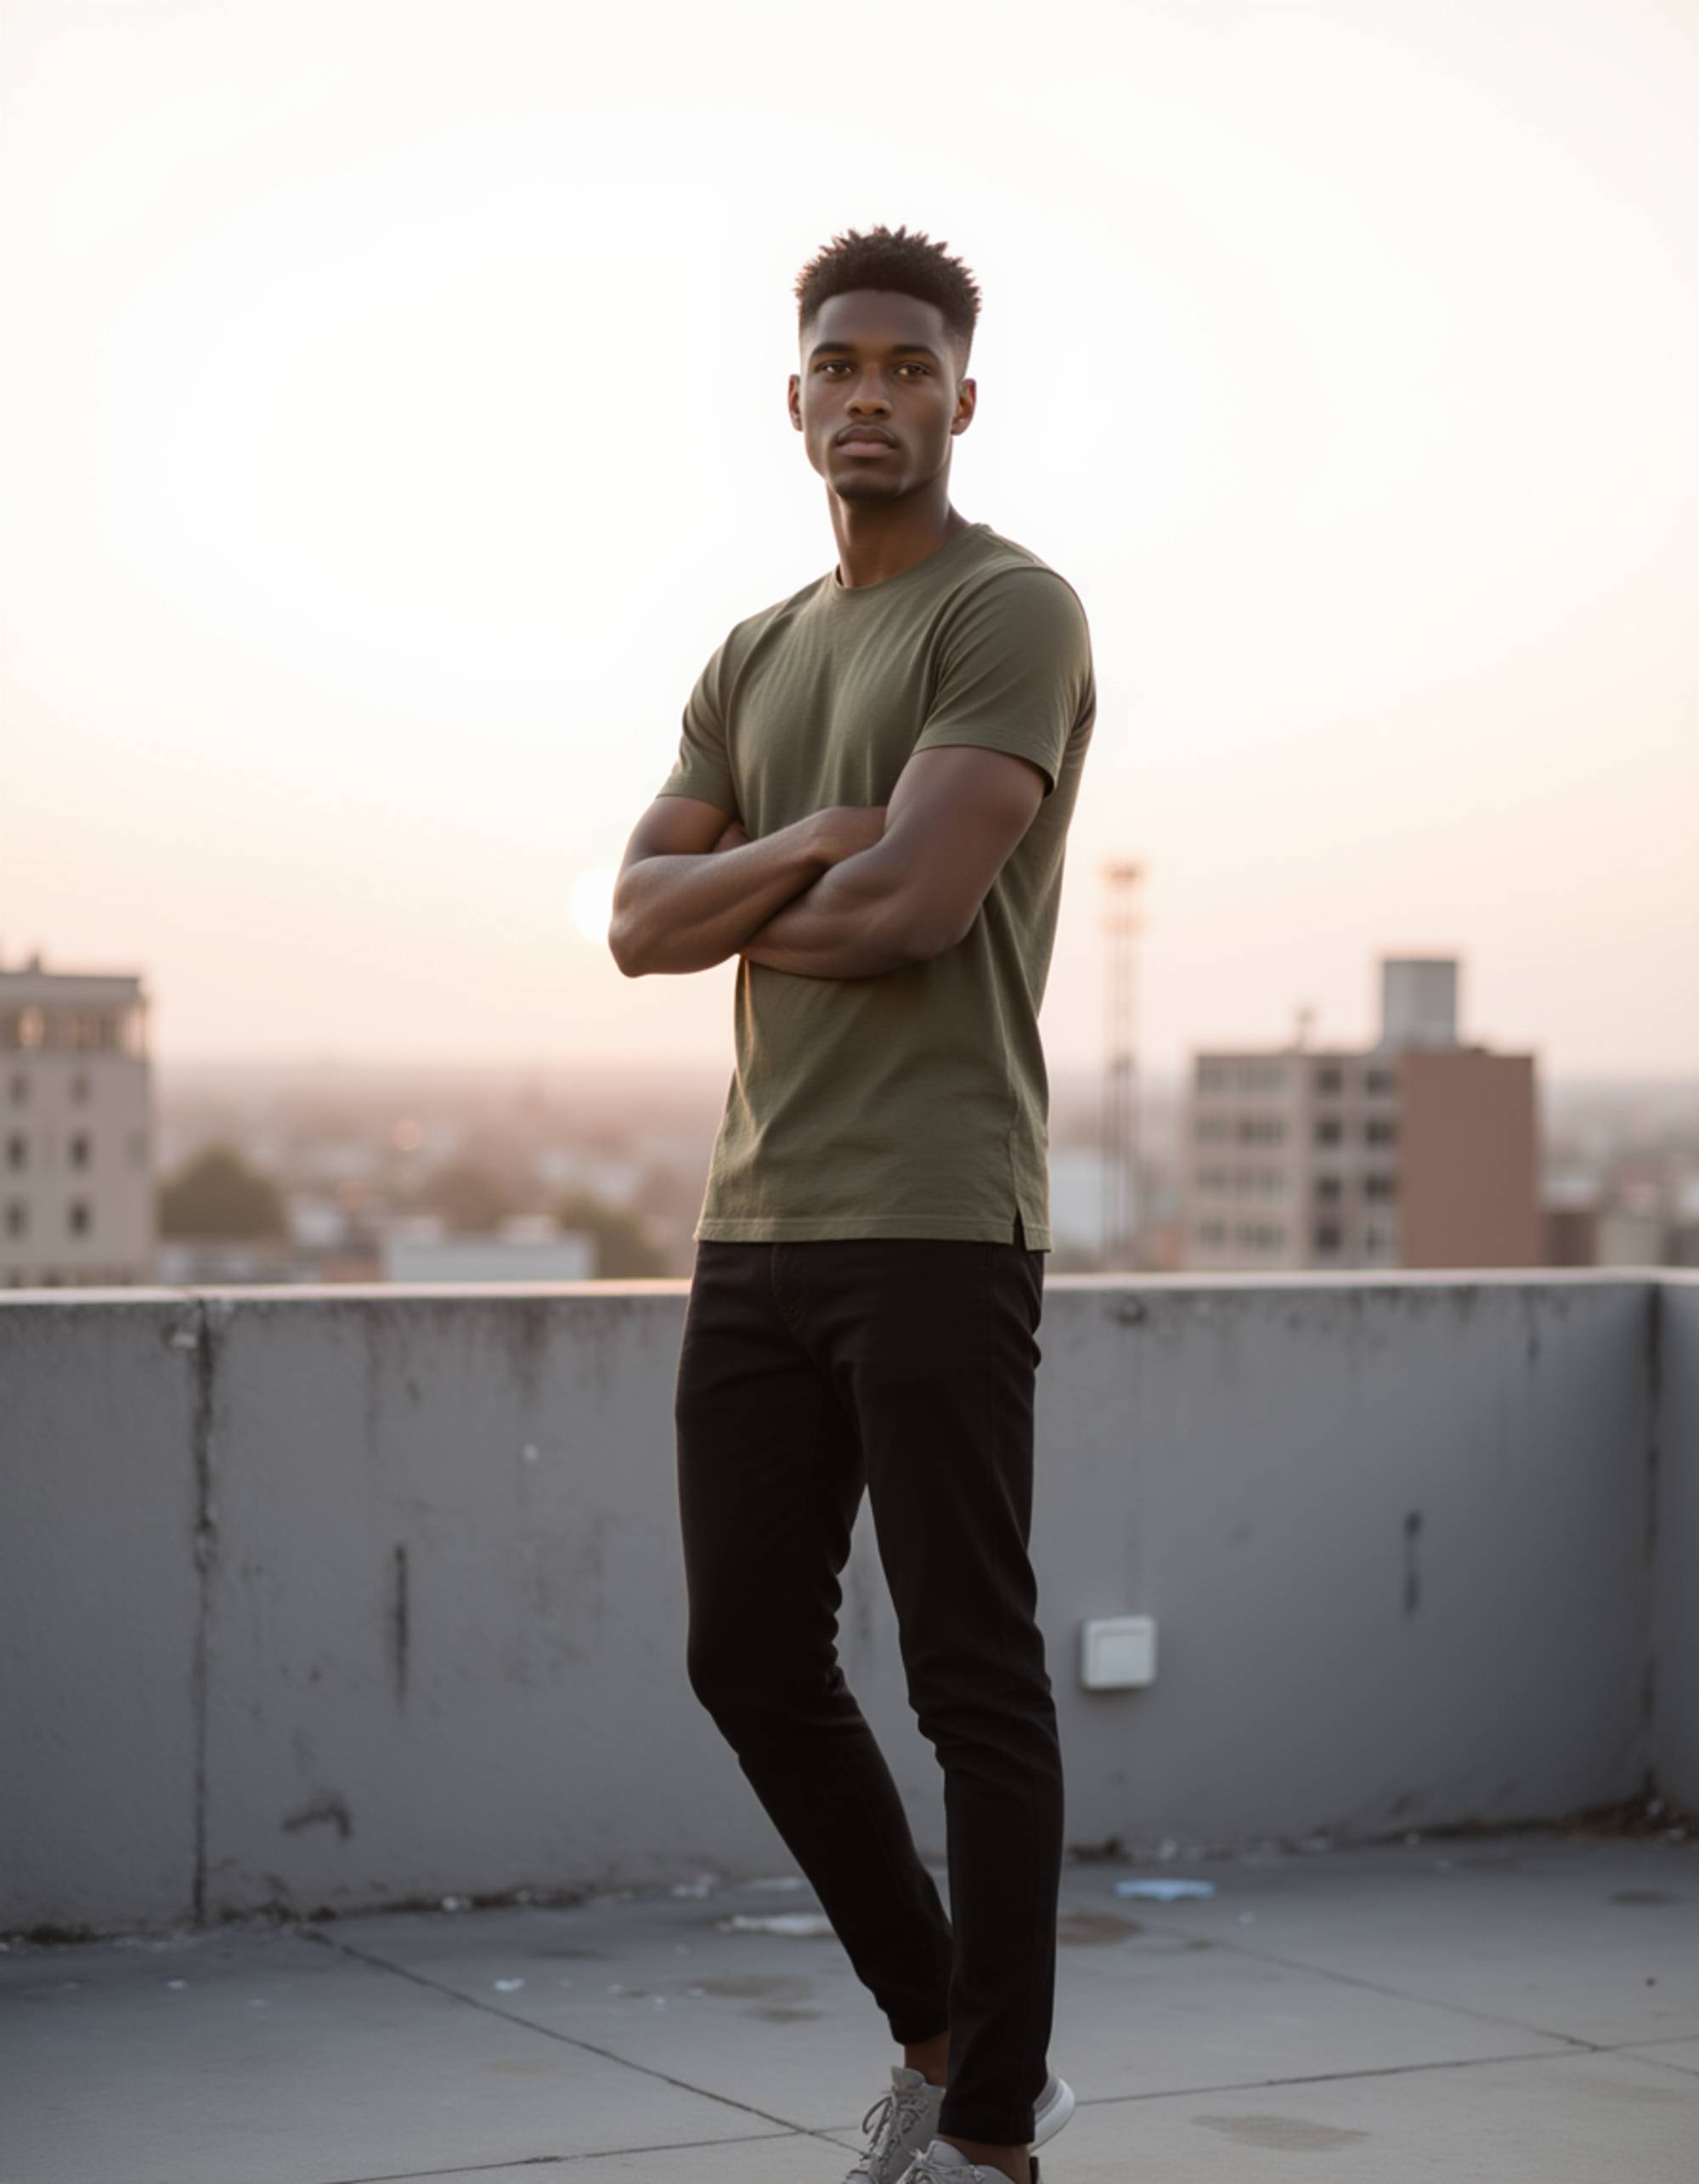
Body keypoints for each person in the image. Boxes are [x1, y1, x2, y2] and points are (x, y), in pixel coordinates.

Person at [609, 223, 1094, 2184]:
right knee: (746, 1651)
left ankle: (985, 2130)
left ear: (960, 399)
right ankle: (943, 2019)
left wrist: (770, 881)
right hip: (760, 1215)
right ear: (794, 398)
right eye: (841, 365)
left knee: (967, 1665)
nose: (872, 393)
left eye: (909, 366)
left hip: (936, 1212)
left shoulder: (1010, 612)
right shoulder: (752, 654)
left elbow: (922, 906)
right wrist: (822, 828)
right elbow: (631, 921)